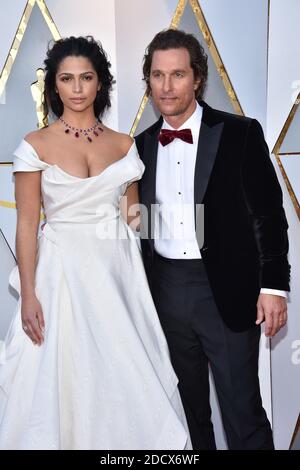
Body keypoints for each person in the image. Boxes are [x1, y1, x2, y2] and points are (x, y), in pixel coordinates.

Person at [0, 36, 191, 450]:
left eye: (86, 77)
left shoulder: (124, 145)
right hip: (60, 278)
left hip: (115, 277)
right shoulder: (35, 145)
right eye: (67, 79)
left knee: (124, 379)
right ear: (54, 86)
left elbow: (134, 220)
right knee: (61, 384)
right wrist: (29, 293)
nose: (77, 88)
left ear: (100, 83)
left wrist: (200, 239)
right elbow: (28, 223)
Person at [135, 29, 290, 450]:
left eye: (178, 75)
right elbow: (140, 227)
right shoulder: (139, 148)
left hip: (225, 288)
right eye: (158, 75)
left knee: (243, 414)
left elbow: (269, 216)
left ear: (198, 78)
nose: (167, 86)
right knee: (185, 417)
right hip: (165, 292)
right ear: (148, 80)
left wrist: (273, 286)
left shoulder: (239, 133)